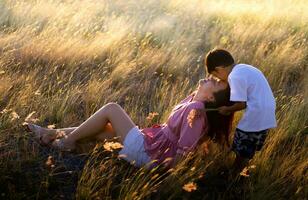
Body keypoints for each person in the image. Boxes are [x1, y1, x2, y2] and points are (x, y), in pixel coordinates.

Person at [25, 78, 233, 168]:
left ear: (212, 98)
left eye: (214, 82)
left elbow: (183, 152)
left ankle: (66, 142)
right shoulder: (193, 99)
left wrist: (161, 177)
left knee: (111, 108)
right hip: (150, 142)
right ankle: (51, 134)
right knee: (103, 131)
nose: (209, 78)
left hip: (149, 155)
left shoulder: (196, 112)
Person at [204, 48, 277, 174]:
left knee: (241, 148)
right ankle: (242, 172)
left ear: (219, 69)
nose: (219, 79)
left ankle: (235, 176)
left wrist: (227, 109)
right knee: (248, 150)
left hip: (256, 113)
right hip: (267, 112)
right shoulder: (244, 68)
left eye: (216, 75)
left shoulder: (234, 76)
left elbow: (241, 104)